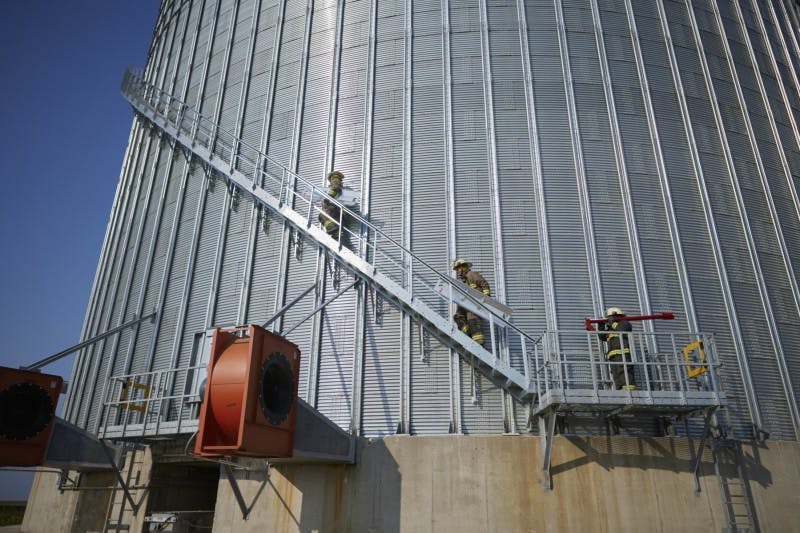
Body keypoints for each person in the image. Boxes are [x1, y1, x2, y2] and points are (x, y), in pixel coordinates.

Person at [451, 259, 490, 345]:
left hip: (475, 303)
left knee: (472, 319)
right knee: (458, 316)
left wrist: (485, 299)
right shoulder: (462, 281)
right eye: (456, 269)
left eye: (458, 268)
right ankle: (467, 332)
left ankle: (478, 341)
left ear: (463, 267)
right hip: (466, 303)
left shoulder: (472, 275)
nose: (457, 271)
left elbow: (484, 284)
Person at [598, 307, 636, 390]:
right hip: (612, 356)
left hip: (622, 354)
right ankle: (620, 390)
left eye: (610, 317)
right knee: (615, 374)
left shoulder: (625, 323)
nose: (608, 319)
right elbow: (602, 336)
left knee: (624, 371)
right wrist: (600, 325)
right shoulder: (611, 329)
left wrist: (612, 323)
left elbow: (621, 330)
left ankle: (630, 390)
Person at [319, 171, 344, 239]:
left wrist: (328, 198)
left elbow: (335, 189)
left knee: (322, 215)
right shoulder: (336, 187)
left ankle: (332, 228)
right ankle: (335, 232)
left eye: (335, 178)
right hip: (338, 212)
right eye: (333, 178)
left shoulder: (336, 184)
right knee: (326, 217)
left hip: (336, 210)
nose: (334, 180)